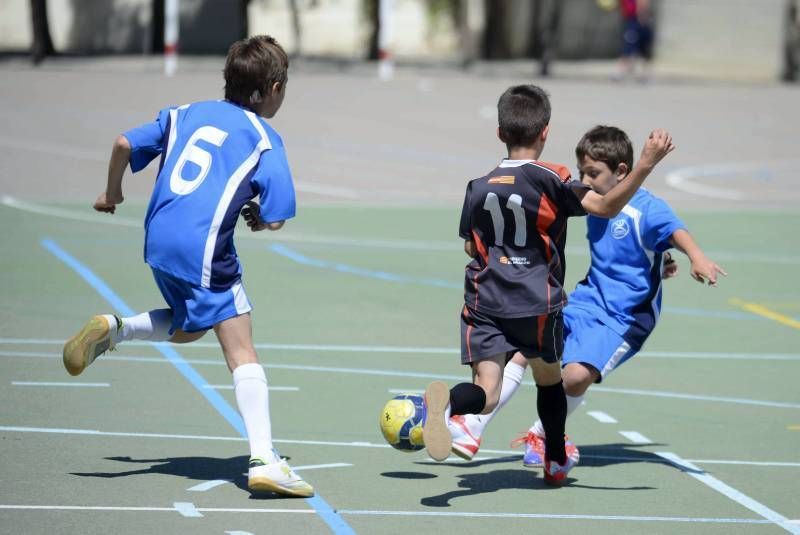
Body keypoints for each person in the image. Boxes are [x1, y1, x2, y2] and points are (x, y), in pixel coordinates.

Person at [61, 35, 314, 498]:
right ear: (274, 88)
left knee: (192, 325)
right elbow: (275, 217)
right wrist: (260, 219)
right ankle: (264, 459)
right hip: (203, 248)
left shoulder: (185, 112)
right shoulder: (264, 138)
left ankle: (115, 328)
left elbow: (122, 142)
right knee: (240, 346)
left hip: (158, 238)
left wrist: (112, 192)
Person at [421, 85, 675, 485]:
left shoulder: (479, 185)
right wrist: (644, 163)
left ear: (500, 133)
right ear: (545, 133)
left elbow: (472, 244)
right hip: (535, 301)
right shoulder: (552, 178)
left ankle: (448, 404)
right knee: (549, 378)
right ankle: (555, 459)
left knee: (486, 391)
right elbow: (606, 206)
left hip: (484, 300)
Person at [448, 125, 726, 467]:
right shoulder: (595, 205)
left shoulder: (646, 207)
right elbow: (635, 247)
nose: (585, 179)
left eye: (593, 173)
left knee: (576, 376)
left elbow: (673, 230)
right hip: (586, 299)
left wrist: (695, 257)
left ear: (621, 172)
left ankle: (543, 433)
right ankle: (473, 424)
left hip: (625, 317)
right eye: (582, 172)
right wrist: (659, 260)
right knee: (522, 352)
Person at [614, 0, 654, 82]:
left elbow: (643, 3)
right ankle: (642, 74)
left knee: (630, 47)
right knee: (637, 48)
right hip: (631, 19)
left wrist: (642, 18)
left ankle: (622, 72)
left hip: (636, 20)